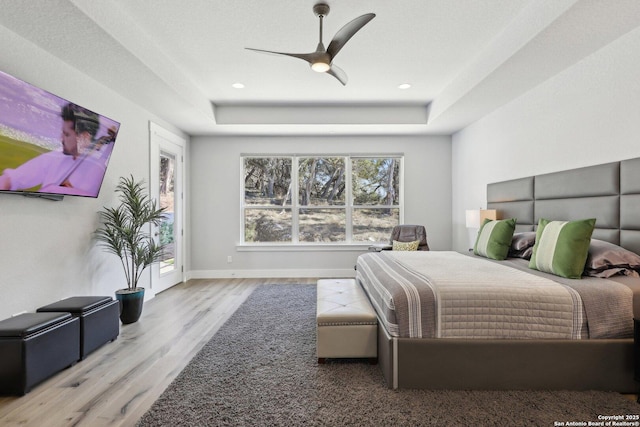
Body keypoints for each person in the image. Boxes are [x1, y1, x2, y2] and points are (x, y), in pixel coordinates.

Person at [0, 103, 113, 196]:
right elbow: (13, 178)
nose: (61, 138)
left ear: (84, 137)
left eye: (66, 134)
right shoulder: (57, 157)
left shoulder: (98, 170)